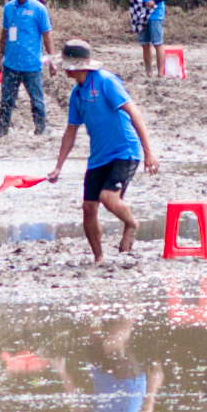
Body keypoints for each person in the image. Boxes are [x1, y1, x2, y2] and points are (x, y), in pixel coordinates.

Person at [46, 39, 160, 261]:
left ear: (76, 66)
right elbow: (70, 132)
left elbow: (134, 112)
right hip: (98, 156)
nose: (63, 69)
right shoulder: (76, 95)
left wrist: (148, 151)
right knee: (89, 208)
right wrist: (58, 166)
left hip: (124, 150)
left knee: (108, 197)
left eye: (66, 64)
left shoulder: (105, 81)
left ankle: (131, 223)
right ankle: (99, 258)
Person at [0, 0, 55, 136]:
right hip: (11, 63)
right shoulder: (9, 8)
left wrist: (52, 60)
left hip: (32, 64)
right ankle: (1, 131)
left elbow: (47, 36)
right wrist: (0, 56)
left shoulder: (39, 9)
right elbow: (5, 32)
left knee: (37, 101)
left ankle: (40, 131)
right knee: (6, 101)